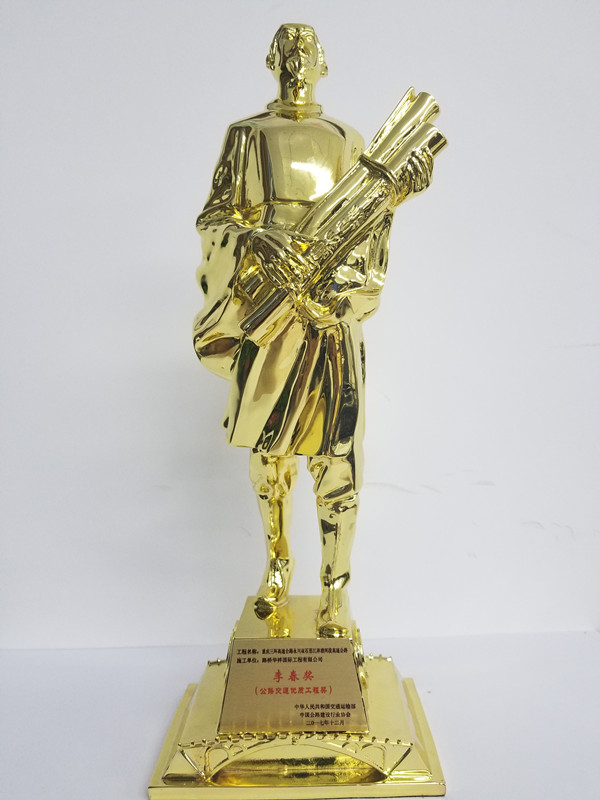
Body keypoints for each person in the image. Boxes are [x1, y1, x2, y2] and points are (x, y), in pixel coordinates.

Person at [193, 23, 425, 637]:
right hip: (270, 315)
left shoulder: (347, 140)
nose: (298, 56)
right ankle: (277, 565)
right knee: (270, 458)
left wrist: (352, 281)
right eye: (288, 47)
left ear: (324, 62)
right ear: (272, 59)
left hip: (328, 321)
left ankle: (334, 591)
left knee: (336, 462)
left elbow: (367, 229)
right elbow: (216, 219)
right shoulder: (247, 136)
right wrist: (258, 241)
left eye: (307, 48)